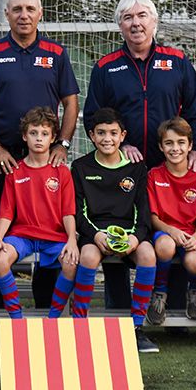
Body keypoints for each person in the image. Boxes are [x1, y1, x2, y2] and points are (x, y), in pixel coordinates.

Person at [83, 0, 196, 312]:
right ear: (120, 26)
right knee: (122, 233)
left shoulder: (177, 61)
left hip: (170, 167)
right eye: (128, 18)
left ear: (154, 22)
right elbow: (94, 115)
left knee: (172, 235)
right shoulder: (106, 67)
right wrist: (121, 146)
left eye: (142, 16)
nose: (135, 23)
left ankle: (175, 307)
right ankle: (121, 310)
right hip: (124, 168)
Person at [0, 0, 79, 311]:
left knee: (47, 224)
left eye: (30, 9)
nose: (24, 15)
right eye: (17, 9)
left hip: (46, 156)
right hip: (4, 157)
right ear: (6, 14)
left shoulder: (56, 54)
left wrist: (63, 143)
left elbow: (71, 103)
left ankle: (45, 303)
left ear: (40, 13)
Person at [54, 107, 159, 353]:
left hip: (129, 231)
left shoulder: (136, 168)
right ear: (91, 135)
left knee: (148, 254)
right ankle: (79, 325)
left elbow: (143, 212)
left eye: (113, 133)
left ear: (123, 135)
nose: (107, 139)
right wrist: (96, 235)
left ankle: (136, 328)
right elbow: (77, 213)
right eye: (101, 133)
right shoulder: (80, 167)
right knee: (88, 257)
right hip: (95, 232)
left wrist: (135, 238)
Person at [0, 107, 79, 318]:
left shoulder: (62, 172)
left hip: (54, 237)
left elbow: (68, 211)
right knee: (0, 260)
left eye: (44, 134)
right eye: (33, 133)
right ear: (24, 136)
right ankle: (16, 318)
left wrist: (72, 241)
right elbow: (6, 212)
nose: (39, 139)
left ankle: (54, 317)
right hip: (23, 236)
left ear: (53, 138)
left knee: (71, 263)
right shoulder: (15, 171)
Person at [145, 117, 196, 326]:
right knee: (164, 246)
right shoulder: (154, 175)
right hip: (165, 231)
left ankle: (194, 290)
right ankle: (160, 293)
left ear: (190, 145)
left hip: (193, 233)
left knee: (195, 262)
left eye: (181, 143)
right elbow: (153, 217)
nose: (175, 148)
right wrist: (171, 230)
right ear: (160, 146)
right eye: (169, 143)